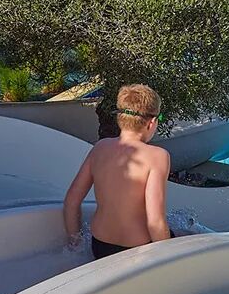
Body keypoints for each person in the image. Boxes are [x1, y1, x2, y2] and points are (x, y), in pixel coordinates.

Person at [62, 84, 171, 259]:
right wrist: (168, 261)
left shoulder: (100, 148)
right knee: (184, 234)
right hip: (137, 249)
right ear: (152, 122)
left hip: (100, 246)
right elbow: (155, 221)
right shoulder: (158, 156)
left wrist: (75, 242)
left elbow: (71, 201)